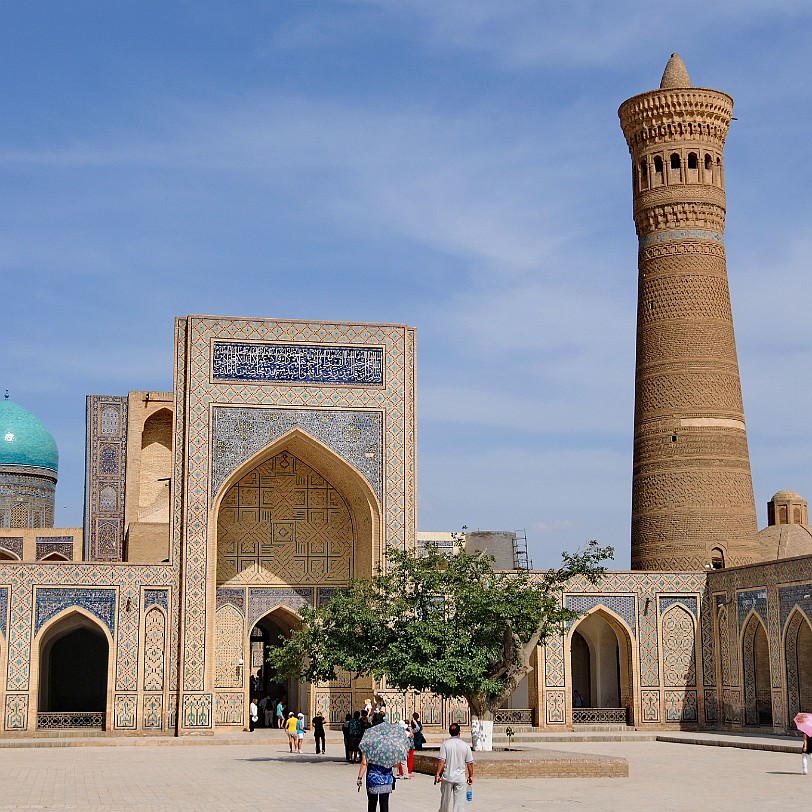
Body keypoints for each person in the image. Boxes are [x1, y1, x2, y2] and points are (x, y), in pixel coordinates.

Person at [434, 722, 474, 812]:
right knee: (459, 804)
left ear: (449, 732)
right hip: (460, 777)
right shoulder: (465, 746)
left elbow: (441, 761)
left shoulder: (445, 744)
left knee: (445, 802)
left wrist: (437, 774)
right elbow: (469, 763)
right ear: (459, 733)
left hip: (448, 776)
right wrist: (471, 776)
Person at [357, 721, 395, 812]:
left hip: (373, 779)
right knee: (384, 805)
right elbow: (395, 764)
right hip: (386, 779)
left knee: (372, 804)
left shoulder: (368, 745)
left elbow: (364, 763)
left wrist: (359, 778)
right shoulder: (389, 746)